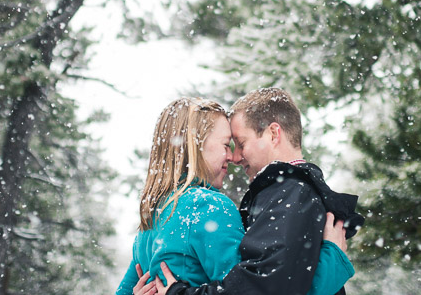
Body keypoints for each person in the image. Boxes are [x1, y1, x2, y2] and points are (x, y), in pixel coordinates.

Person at [116, 96, 354, 295]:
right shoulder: (208, 206)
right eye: (227, 145)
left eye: (238, 144)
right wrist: (331, 263)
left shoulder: (151, 219)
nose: (233, 157)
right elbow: (257, 290)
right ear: (196, 146)